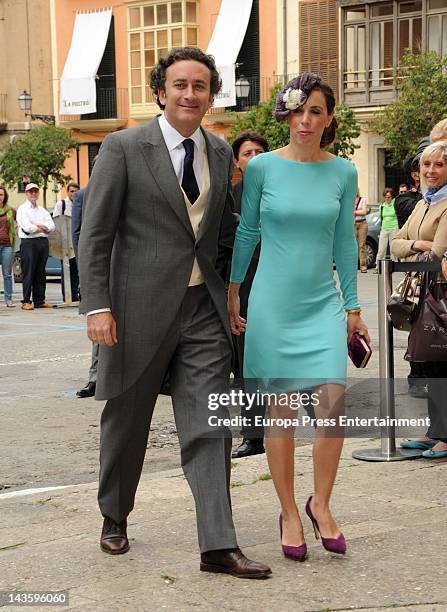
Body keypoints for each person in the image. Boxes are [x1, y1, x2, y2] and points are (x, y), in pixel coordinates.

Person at [77, 47, 271, 579]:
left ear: (211, 96)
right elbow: (95, 233)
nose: (191, 94)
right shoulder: (121, 147)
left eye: (201, 86)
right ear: (160, 91)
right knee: (127, 420)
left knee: (210, 425)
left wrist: (233, 294)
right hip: (134, 309)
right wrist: (97, 305)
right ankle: (114, 515)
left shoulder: (219, 148)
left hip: (200, 309)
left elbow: (220, 233)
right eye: (180, 84)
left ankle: (217, 544)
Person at [228, 72, 369, 561]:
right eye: (298, 110)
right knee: (281, 410)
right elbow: (247, 231)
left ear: (330, 117)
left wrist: (353, 307)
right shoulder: (262, 167)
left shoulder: (344, 171)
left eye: (316, 111)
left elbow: (344, 243)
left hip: (322, 304)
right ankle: (289, 511)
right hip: (271, 304)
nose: (306, 120)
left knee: (331, 406)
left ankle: (322, 505)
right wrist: (232, 292)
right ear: (286, 114)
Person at [392, 140, 447, 459]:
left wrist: (414, 245)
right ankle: (435, 431)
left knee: (441, 362)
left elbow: (437, 252)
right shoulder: (424, 203)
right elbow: (395, 243)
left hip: (441, 290)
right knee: (428, 363)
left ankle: (445, 434)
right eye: (427, 165)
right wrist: (417, 244)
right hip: (425, 291)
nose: (431, 170)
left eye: (439, 165)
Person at [230, 131, 269, 459]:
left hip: (282, 288)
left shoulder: (283, 193)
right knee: (247, 367)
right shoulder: (228, 198)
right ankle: (253, 435)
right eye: (247, 153)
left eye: (259, 151)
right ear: (237, 161)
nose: (253, 157)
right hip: (243, 292)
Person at [72, 163, 99, 399]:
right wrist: (85, 271)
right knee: (99, 321)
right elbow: (79, 234)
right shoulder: (82, 195)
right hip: (98, 269)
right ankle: (95, 378)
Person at [16, 183, 55, 310]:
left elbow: (51, 226)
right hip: (29, 243)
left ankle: (39, 300)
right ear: (26, 193)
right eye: (30, 191)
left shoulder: (42, 210)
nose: (33, 193)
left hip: (42, 242)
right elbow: (27, 228)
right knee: (29, 271)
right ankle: (26, 301)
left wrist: (38, 226)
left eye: (35, 191)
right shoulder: (22, 209)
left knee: (40, 272)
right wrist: (42, 228)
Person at [53, 181, 80, 302]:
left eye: (76, 191)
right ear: (67, 192)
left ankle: (75, 295)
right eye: (72, 191)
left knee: (76, 269)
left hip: (77, 241)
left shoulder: (80, 203)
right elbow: (56, 222)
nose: (74, 193)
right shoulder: (61, 204)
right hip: (65, 243)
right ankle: (67, 296)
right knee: (66, 269)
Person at [374, 187, 398, 273]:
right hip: (384, 229)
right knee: (381, 249)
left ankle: (394, 266)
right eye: (386, 197)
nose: (387, 199)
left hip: (394, 228)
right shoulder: (382, 206)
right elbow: (381, 218)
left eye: (389, 197)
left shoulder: (394, 205)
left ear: (392, 197)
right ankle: (378, 266)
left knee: (393, 249)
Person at [0, 186, 16, 308]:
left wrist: (16, 228)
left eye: (1, 194)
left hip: (7, 245)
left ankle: (8, 299)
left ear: (5, 196)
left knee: (7, 274)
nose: (0, 197)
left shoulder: (11, 210)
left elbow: (21, 220)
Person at [354, 191, 368, 273]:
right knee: (353, 246)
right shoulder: (350, 200)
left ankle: (363, 266)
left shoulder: (363, 200)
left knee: (362, 245)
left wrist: (354, 212)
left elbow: (364, 211)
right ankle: (353, 266)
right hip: (353, 224)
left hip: (362, 224)